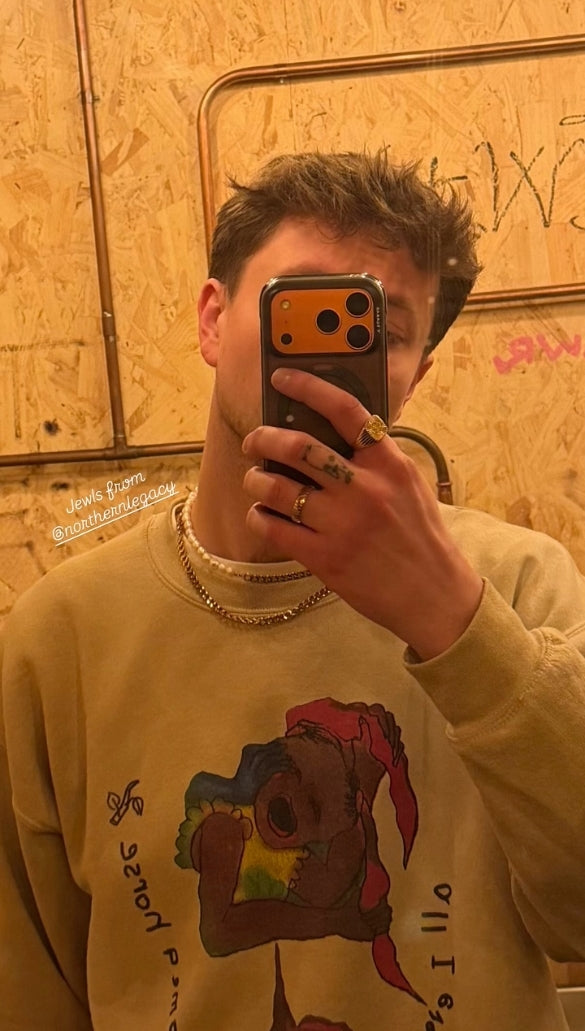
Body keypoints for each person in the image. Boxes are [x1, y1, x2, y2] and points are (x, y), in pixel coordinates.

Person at [1, 150, 584, 1031]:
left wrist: (456, 627)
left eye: (377, 330)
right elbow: (29, 989)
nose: (322, 356)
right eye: (298, 308)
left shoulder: (518, 584)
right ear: (212, 319)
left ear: (414, 374)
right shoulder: (60, 637)